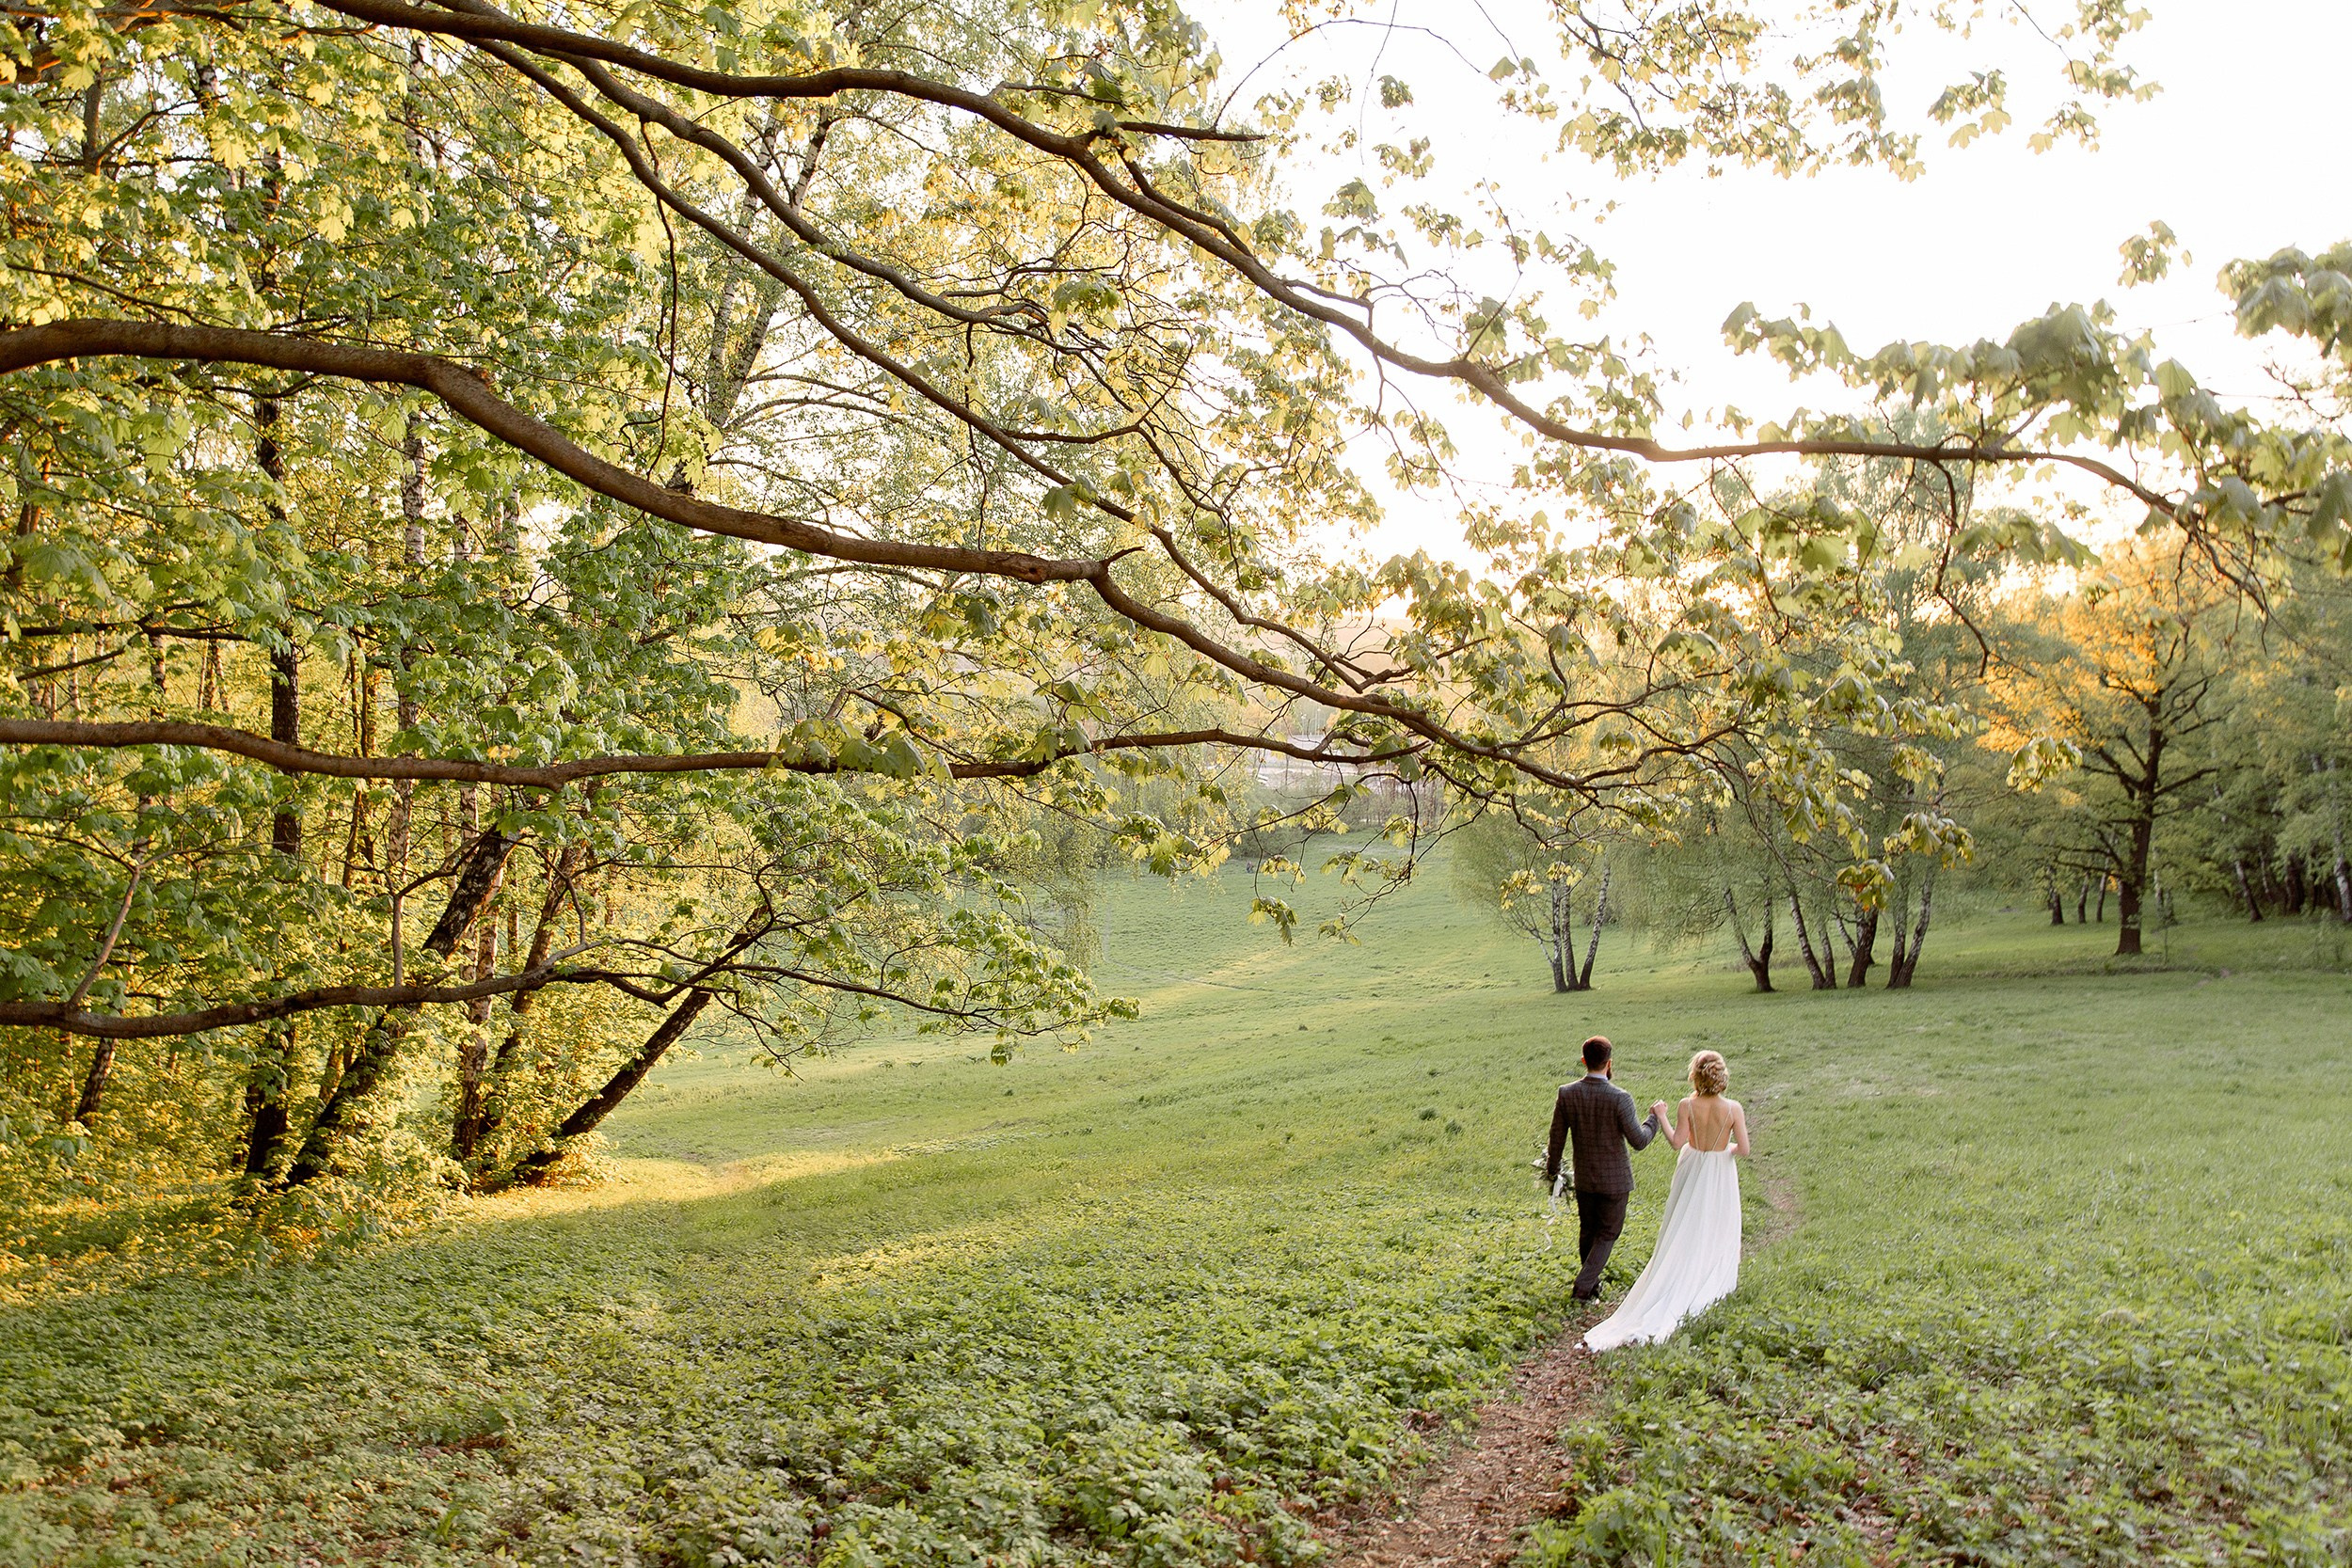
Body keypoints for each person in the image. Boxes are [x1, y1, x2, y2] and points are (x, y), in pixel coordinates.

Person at [1583, 1048, 1752, 1353]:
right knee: (1716, 1222)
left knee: (1685, 1222)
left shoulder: (1687, 1105)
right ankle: (1708, 1272)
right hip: (1719, 1171)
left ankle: (1679, 1268)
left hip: (1692, 1167)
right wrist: (1724, 1150)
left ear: (1695, 1075)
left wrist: (1660, 1115)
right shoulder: (1734, 1108)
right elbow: (1744, 1149)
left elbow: (1677, 1142)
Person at [1542, 1035, 1664, 1303]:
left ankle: (1590, 1286)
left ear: (1583, 1060)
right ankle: (1583, 1286)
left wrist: (1552, 1168)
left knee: (1588, 1231)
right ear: (1609, 1063)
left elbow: (1557, 1136)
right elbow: (1639, 1141)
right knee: (1608, 1233)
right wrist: (1654, 1119)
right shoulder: (1620, 1098)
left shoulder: (1567, 1093)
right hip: (1616, 1182)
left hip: (1585, 1178)